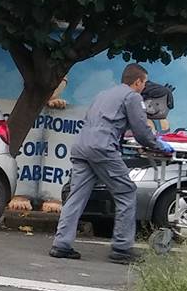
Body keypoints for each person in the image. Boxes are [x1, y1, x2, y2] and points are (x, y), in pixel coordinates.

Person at [51, 64, 173, 264]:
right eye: (144, 82)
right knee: (126, 192)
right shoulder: (133, 97)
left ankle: (61, 245)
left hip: (83, 147)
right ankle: (122, 248)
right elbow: (142, 131)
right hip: (103, 148)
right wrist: (158, 144)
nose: (144, 87)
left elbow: (101, 121)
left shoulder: (104, 94)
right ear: (138, 82)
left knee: (76, 197)